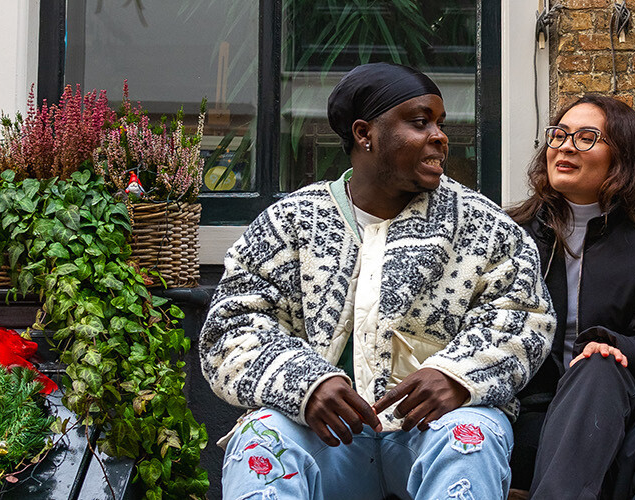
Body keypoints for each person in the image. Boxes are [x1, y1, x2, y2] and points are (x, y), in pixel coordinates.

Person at [200, 62, 555, 500]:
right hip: (325, 439)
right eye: (420, 122)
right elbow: (230, 328)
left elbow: (525, 318)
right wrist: (305, 384)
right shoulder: (291, 222)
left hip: (433, 432)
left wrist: (458, 375)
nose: (440, 137)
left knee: (470, 433)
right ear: (365, 134)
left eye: (440, 124)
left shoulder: (483, 224)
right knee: (262, 436)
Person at [502, 95, 635, 497]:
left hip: (620, 401)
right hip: (531, 403)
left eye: (586, 138)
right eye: (560, 135)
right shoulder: (513, 234)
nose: (565, 146)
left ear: (622, 158)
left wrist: (617, 349)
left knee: (598, 363)